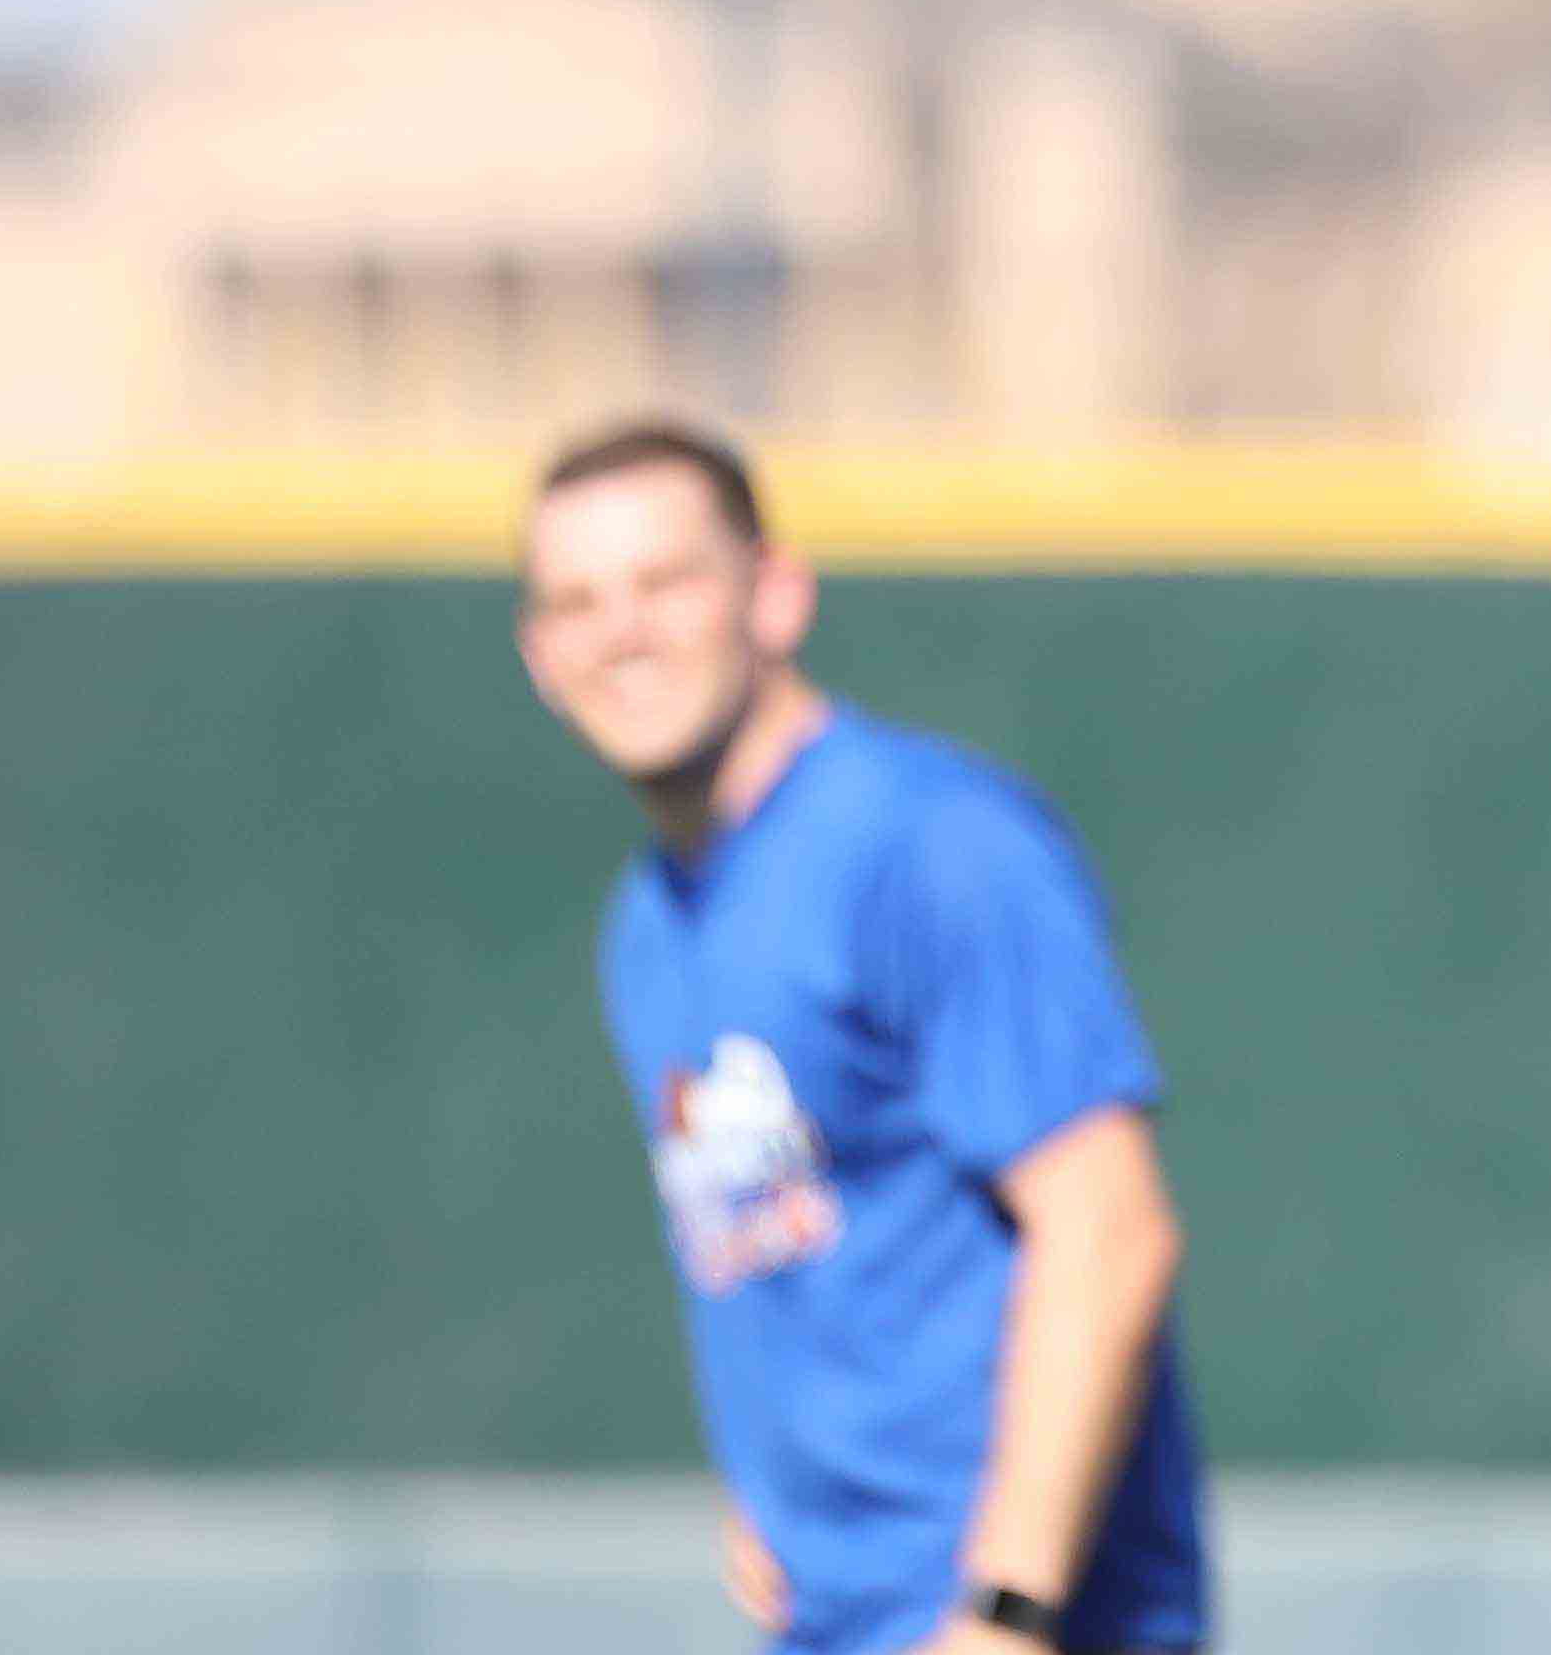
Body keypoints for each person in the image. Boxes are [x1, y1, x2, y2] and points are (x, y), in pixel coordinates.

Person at [517, 416, 1211, 1655]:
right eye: (576, 600)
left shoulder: (929, 845)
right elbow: (780, 1222)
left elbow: (1109, 1228)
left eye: (667, 581)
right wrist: (770, 1489)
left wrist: (1006, 1606)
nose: (621, 630)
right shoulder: (652, 922)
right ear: (537, 653)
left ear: (773, 595)